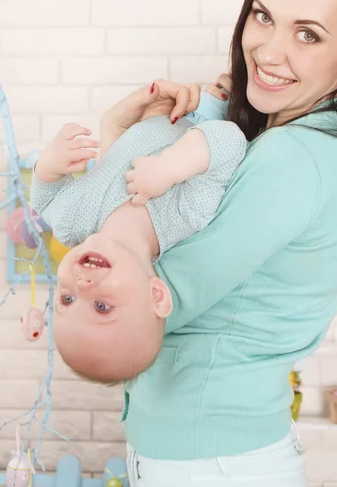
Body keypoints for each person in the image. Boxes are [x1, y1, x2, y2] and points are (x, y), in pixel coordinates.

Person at [99, 0, 337, 487]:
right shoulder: (321, 148)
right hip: (221, 454)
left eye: (308, 34)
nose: (269, 51)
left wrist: (117, 145)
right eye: (263, 16)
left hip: (211, 463)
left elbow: (142, 300)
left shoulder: (294, 156)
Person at [30, 92, 246, 383]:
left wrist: (49, 164)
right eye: (101, 306)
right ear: (155, 295)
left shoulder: (72, 222)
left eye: (67, 299)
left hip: (162, 103)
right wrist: (169, 167)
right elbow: (229, 140)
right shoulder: (184, 217)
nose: (81, 286)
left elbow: (44, 200)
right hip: (211, 106)